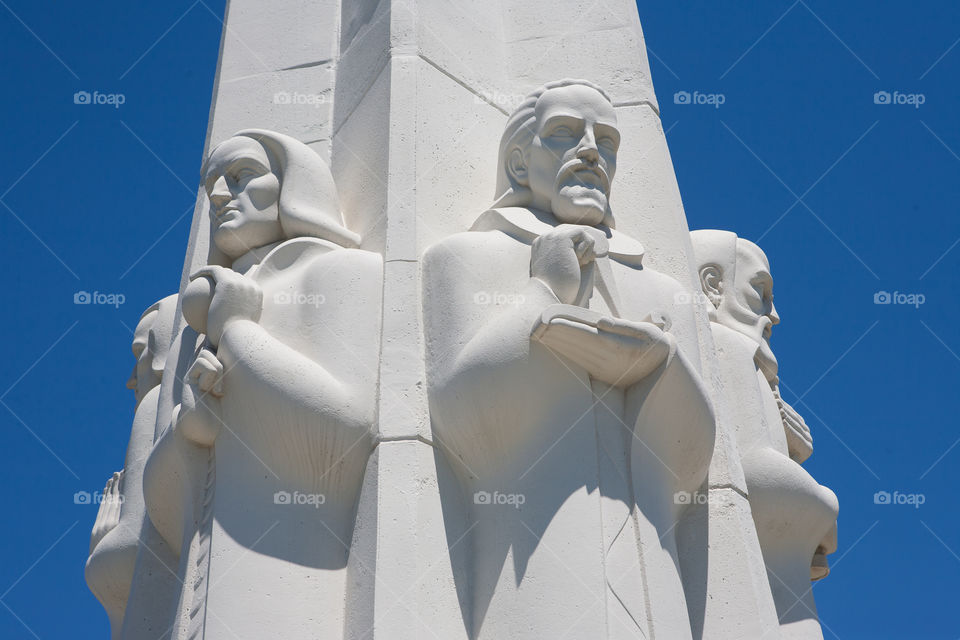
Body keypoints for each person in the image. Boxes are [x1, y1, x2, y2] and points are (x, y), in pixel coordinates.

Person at [422, 80, 716, 639]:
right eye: (564, 133)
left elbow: (697, 459)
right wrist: (542, 295)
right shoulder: (465, 257)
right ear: (517, 161)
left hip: (653, 563)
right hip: (532, 552)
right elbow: (457, 412)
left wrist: (662, 363)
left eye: (606, 141)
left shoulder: (664, 290)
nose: (590, 151)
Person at [142, 130, 381, 638]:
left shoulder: (338, 272)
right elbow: (160, 519)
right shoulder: (193, 331)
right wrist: (194, 429)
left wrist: (238, 333)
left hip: (297, 572)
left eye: (242, 175)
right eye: (213, 188)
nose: (222, 196)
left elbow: (350, 425)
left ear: (293, 184)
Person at [690, 229, 838, 640]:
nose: (774, 315)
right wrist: (826, 503)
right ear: (712, 285)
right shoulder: (727, 347)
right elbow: (754, 470)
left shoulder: (745, 359)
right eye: (760, 291)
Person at [86, 294, 177, 639]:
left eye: (141, 353)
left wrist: (102, 550)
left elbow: (132, 548)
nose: (130, 379)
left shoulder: (154, 409)